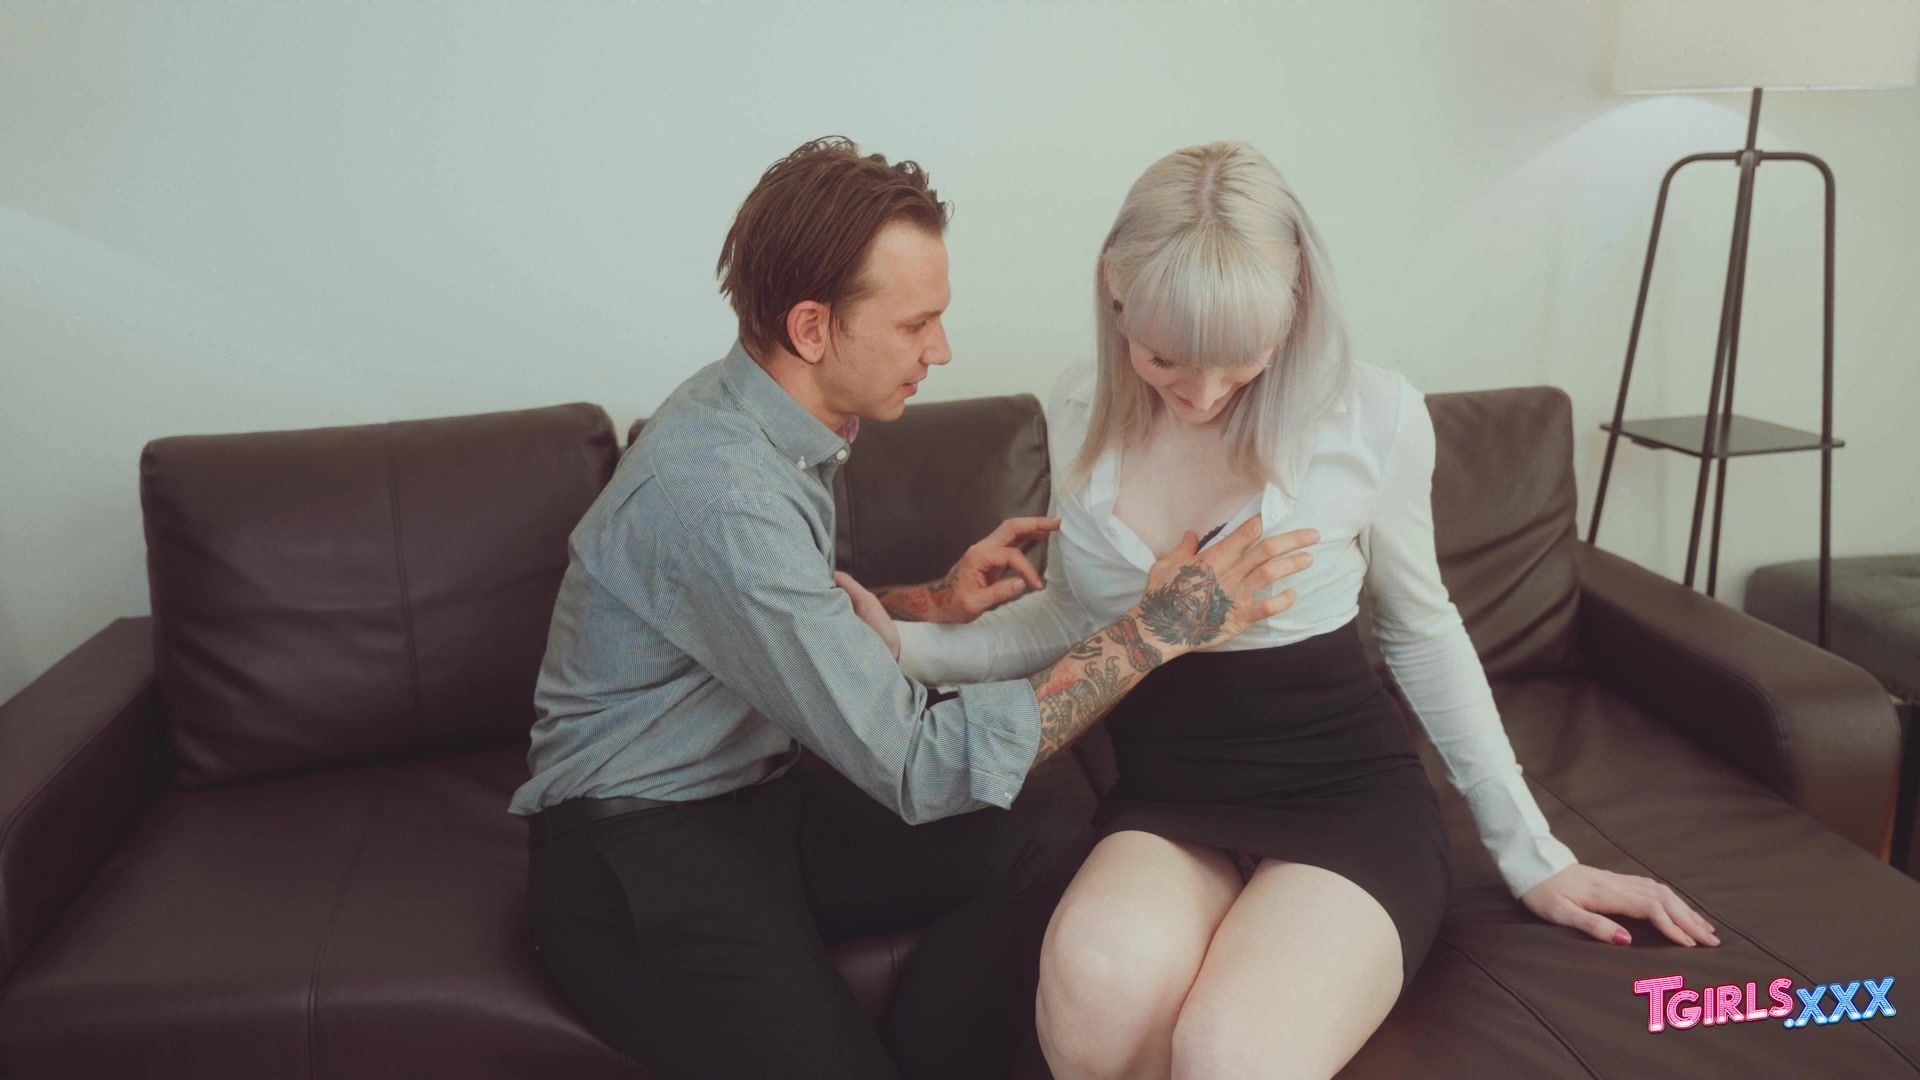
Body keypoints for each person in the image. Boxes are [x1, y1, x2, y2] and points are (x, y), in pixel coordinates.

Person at [849, 141, 1723, 1079]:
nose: (1202, 394)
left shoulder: (1374, 416)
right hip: (1169, 794)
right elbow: (1072, 615)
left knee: (1229, 1052)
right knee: (1095, 993)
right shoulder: (1079, 406)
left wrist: (1534, 854)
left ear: (1293, 304)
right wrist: (908, 646)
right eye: (1166, 358)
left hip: (1343, 797)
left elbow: (1424, 631)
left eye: (1239, 361)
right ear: (1115, 294)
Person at [505, 136, 1316, 1080]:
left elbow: (754, 624)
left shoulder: (763, 422)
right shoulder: (719, 493)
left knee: (1045, 838)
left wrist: (928, 604)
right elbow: (920, 766)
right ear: (813, 329)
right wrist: (1155, 632)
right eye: (916, 324)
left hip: (749, 805)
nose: (941, 350)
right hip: (633, 857)